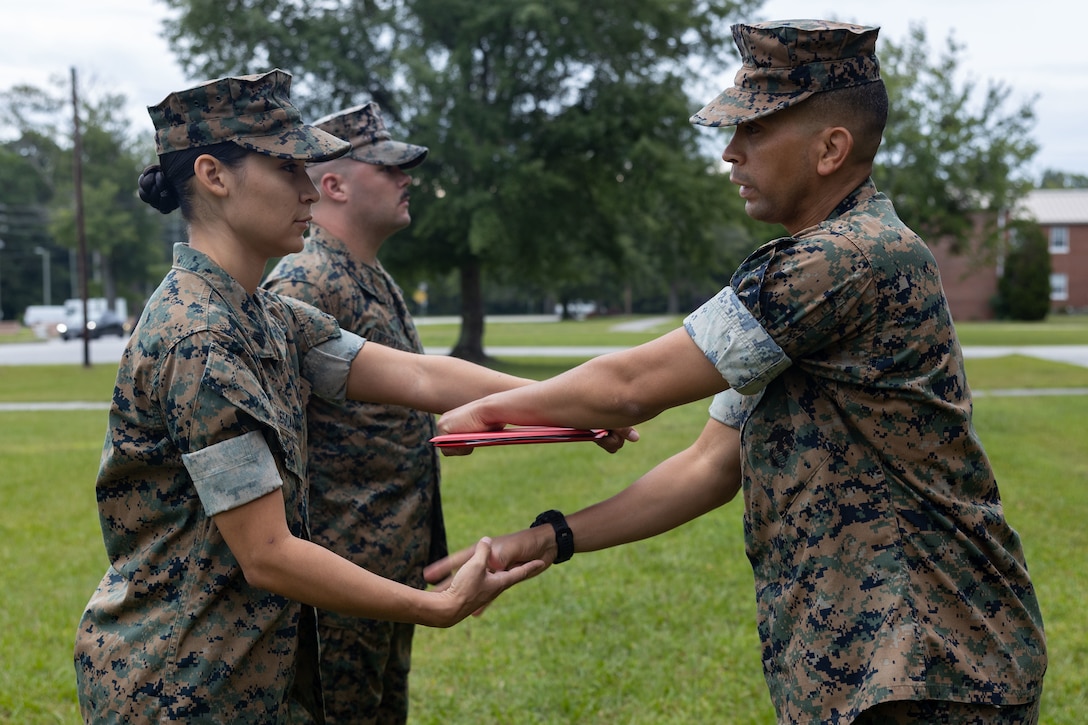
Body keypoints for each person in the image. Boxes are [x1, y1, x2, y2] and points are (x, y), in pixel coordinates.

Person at [424, 20, 1048, 725]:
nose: (730, 152)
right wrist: (544, 536)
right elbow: (708, 465)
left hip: (930, 667)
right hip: (880, 667)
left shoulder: (844, 259)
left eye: (753, 130)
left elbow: (631, 386)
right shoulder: (820, 267)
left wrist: (495, 408)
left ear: (830, 149)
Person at [72, 69, 551, 724]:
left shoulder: (263, 315)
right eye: (288, 168)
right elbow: (267, 553)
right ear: (214, 175)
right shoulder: (200, 339)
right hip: (181, 688)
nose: (308, 189)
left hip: (251, 678)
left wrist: (571, 401)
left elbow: (419, 377)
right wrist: (432, 605)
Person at [261, 102, 439, 724]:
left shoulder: (370, 277)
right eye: (388, 168)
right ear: (332, 184)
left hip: (386, 560)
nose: (405, 178)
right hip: (337, 572)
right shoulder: (306, 284)